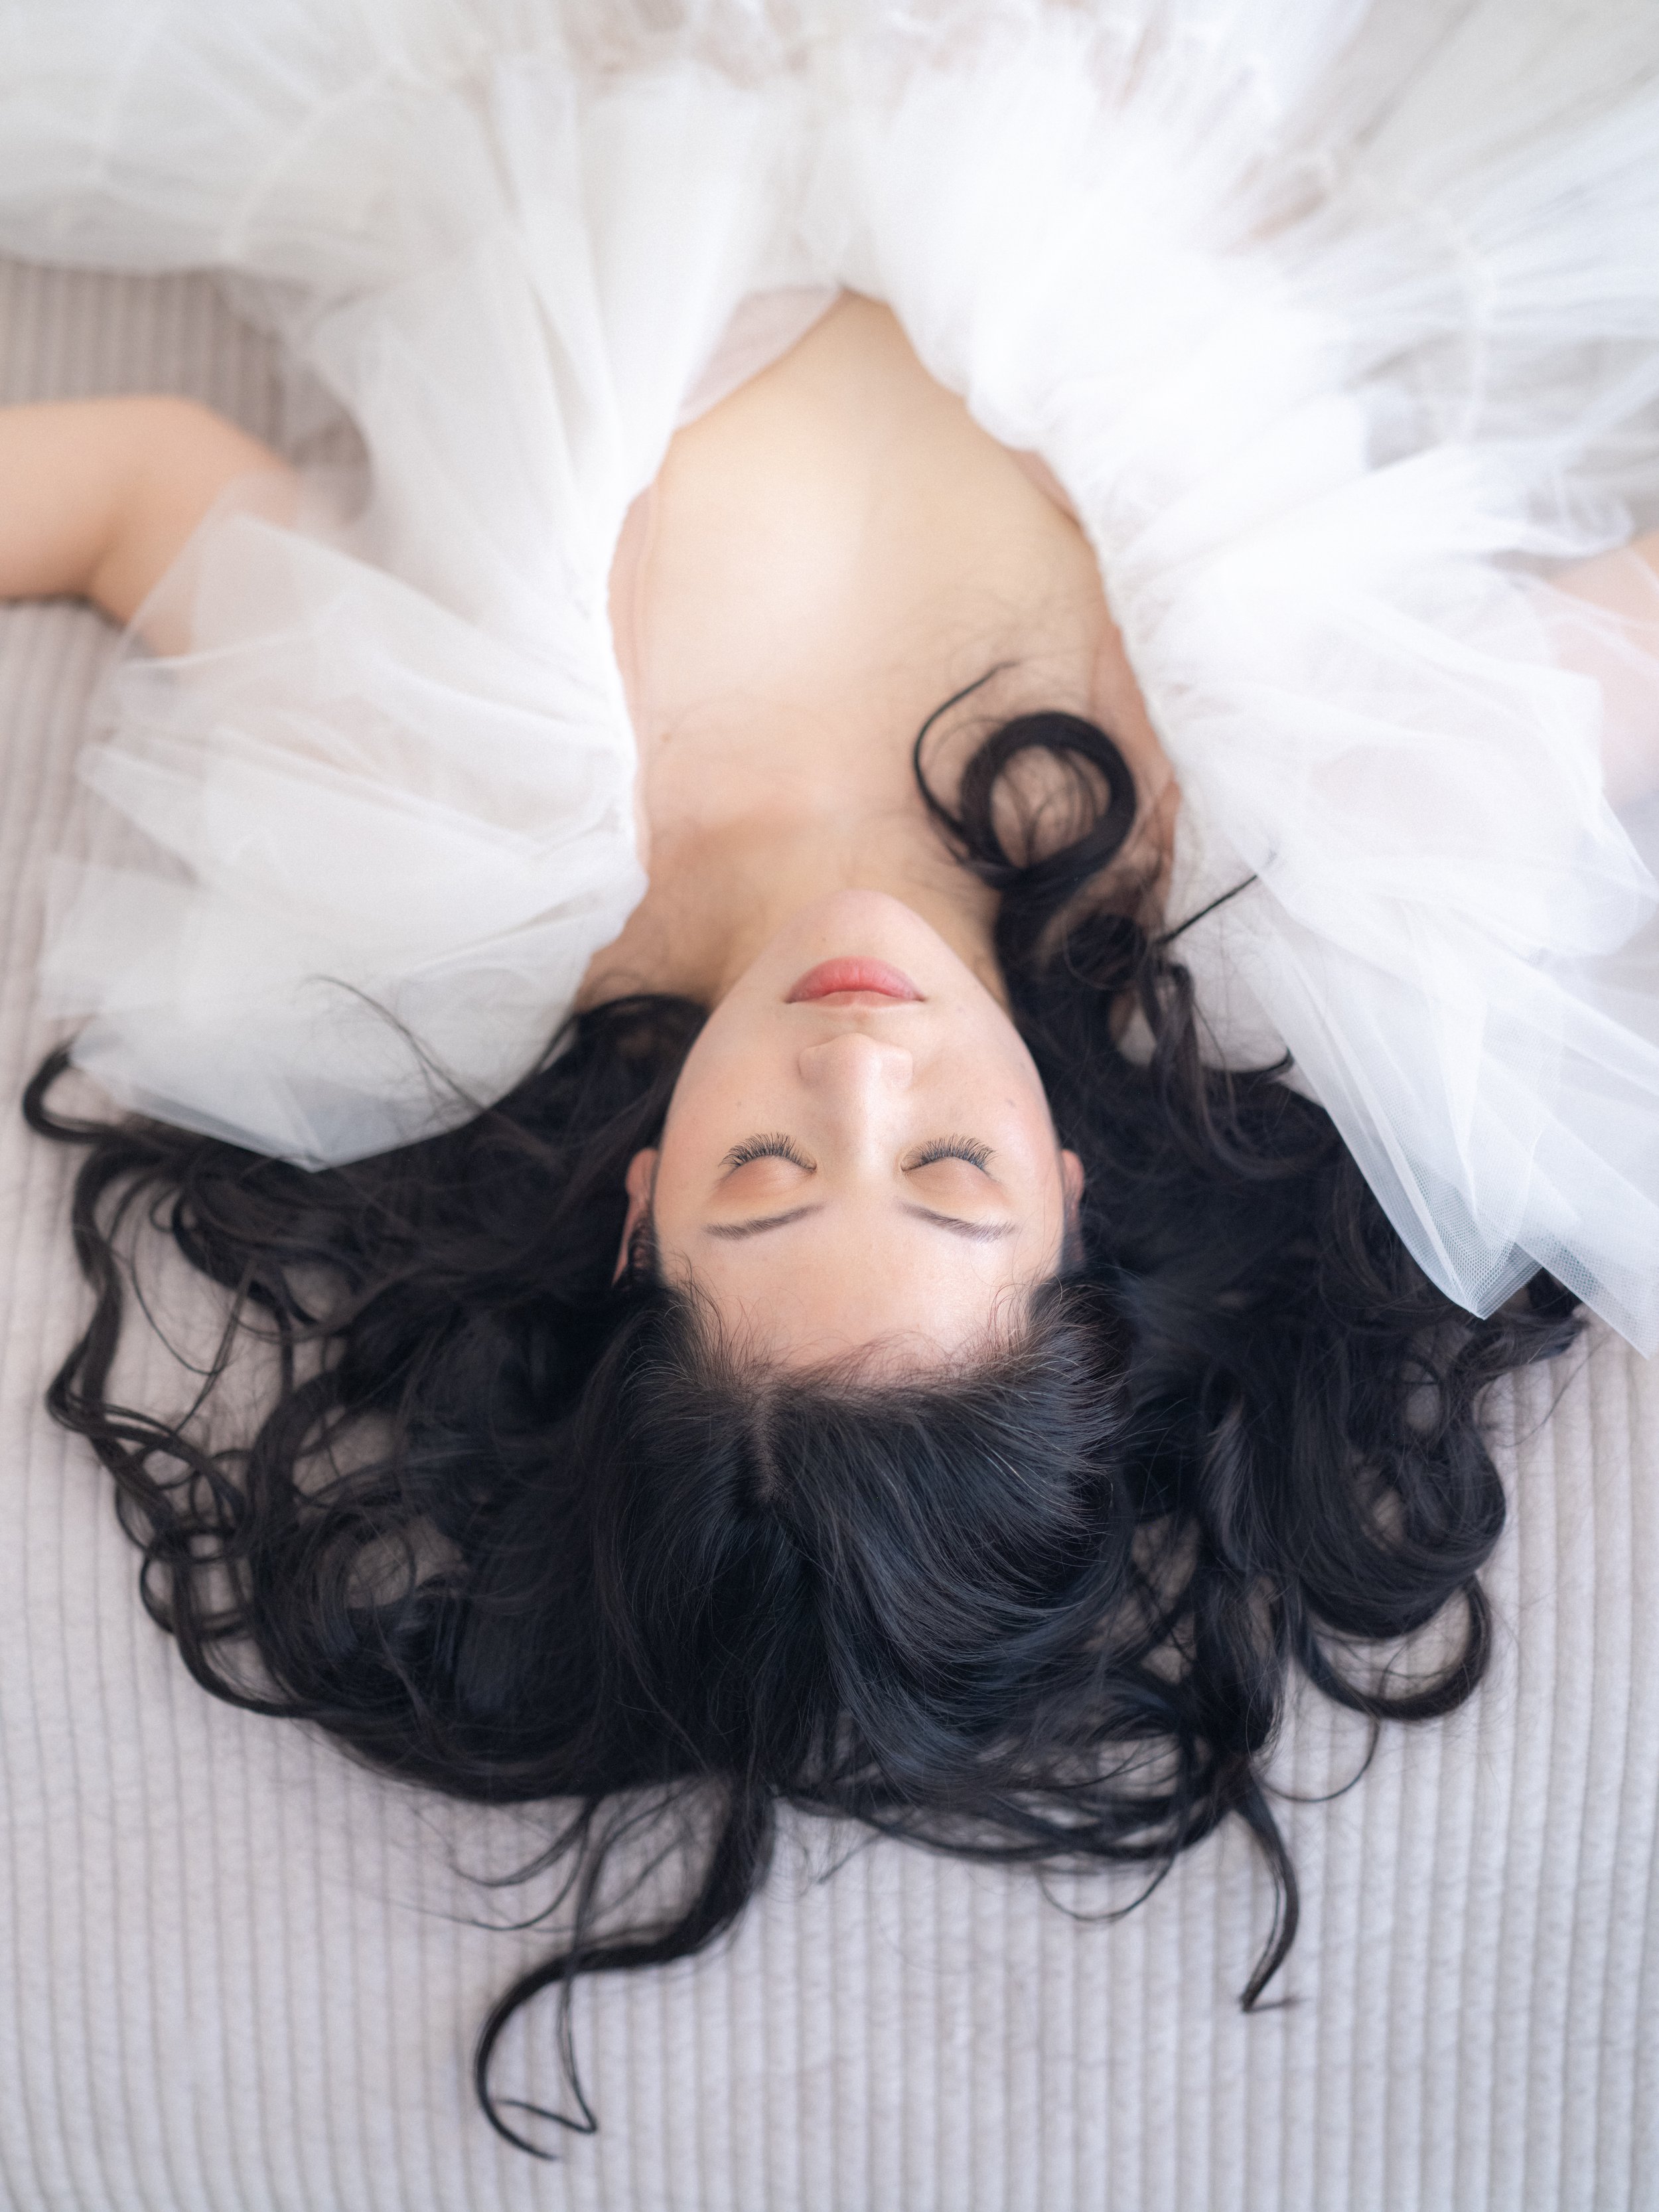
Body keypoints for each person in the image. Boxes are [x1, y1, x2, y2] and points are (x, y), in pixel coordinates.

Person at [2, 0, 1657, 2156]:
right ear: (1070, 1196)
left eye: (768, 1172)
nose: (859, 1060)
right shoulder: (1293, 846)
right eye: (948, 1170)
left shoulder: (461, 846)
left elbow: (133, 493)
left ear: (638, 1210)